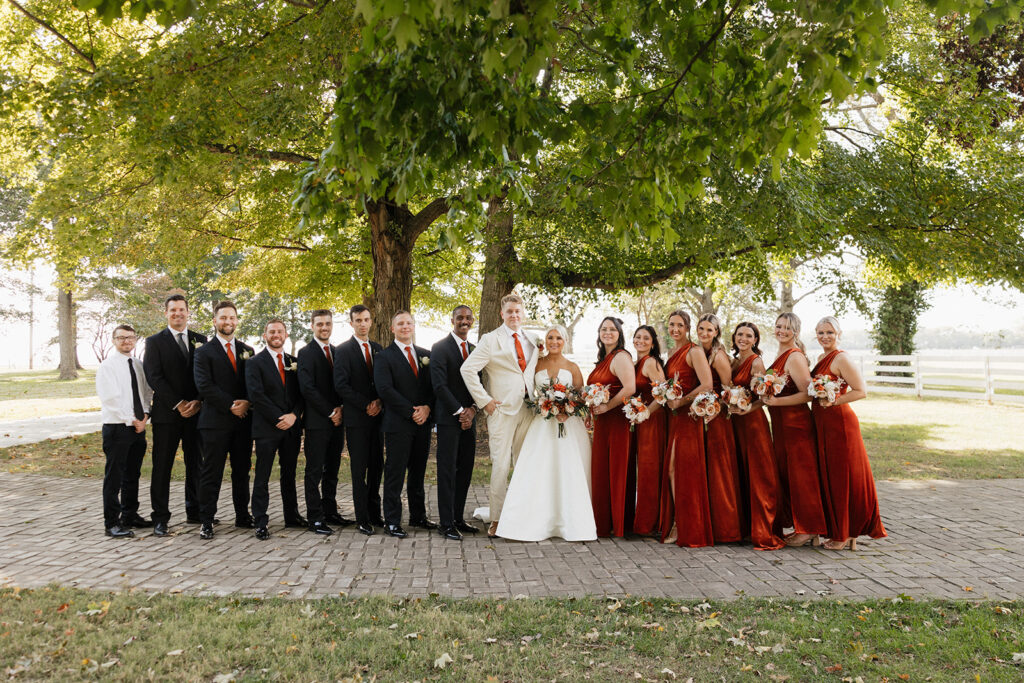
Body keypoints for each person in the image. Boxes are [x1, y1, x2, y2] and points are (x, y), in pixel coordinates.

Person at [497, 325, 596, 542]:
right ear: (545, 341)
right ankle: (530, 520)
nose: (554, 341)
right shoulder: (536, 364)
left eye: (558, 338)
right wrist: (545, 406)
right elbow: (526, 389)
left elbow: (580, 397)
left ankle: (571, 521)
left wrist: (566, 412)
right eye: (550, 337)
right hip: (542, 424)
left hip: (568, 425)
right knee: (539, 468)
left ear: (565, 341)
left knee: (567, 469)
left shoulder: (573, 367)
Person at [460, 293, 539, 538]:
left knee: (524, 464)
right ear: (502, 314)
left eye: (518, 311)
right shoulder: (490, 339)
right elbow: (468, 369)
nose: (514, 315)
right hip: (501, 410)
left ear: (523, 313)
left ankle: (523, 514)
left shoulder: (534, 339)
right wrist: (485, 401)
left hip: (529, 409)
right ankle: (496, 518)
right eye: (509, 312)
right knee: (501, 466)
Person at [811, 316, 886, 550]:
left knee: (843, 477)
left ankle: (844, 535)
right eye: (821, 332)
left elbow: (861, 391)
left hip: (840, 423)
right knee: (832, 477)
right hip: (823, 422)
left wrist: (834, 401)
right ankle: (843, 531)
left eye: (830, 333)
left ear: (839, 334)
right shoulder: (822, 357)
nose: (825, 337)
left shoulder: (841, 357)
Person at [143, 294, 207, 535]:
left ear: (188, 312)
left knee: (196, 464)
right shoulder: (154, 342)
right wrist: (178, 403)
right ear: (166, 313)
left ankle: (196, 510)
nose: (178, 313)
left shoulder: (200, 340)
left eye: (182, 310)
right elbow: (153, 376)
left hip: (196, 413)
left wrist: (198, 402)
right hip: (167, 414)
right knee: (162, 467)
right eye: (173, 310)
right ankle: (160, 517)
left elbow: (205, 374)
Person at [763, 312, 828, 547]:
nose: (781, 330)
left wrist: (777, 402)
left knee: (802, 477)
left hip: (796, 425)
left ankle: (810, 527)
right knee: (789, 475)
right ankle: (801, 525)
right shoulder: (780, 354)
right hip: (781, 425)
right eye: (778, 326)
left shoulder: (794, 356)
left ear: (796, 332)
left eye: (787, 328)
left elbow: (808, 394)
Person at [193, 301, 254, 540]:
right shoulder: (203, 352)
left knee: (242, 471)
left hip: (242, 422)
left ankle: (242, 515)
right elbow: (204, 385)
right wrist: (231, 405)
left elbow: (254, 382)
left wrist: (247, 403)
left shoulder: (247, 349)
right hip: (215, 422)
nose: (228, 322)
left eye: (232, 318)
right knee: (211, 472)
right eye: (223, 318)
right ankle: (206, 520)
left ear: (237, 320)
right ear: (215, 321)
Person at [374, 310, 436, 538]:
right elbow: (385, 390)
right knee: (395, 473)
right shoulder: (384, 356)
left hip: (423, 423)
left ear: (414, 326)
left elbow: (432, 387)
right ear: (392, 328)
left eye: (409, 323)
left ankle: (418, 516)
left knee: (418, 473)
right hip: (398, 424)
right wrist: (412, 412)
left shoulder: (425, 355)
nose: (405, 327)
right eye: (400, 323)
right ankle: (392, 521)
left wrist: (428, 408)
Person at [659, 309, 715, 547]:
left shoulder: (694, 351)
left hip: (689, 416)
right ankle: (678, 519)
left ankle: (685, 523)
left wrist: (682, 401)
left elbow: (707, 384)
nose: (675, 329)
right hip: (673, 417)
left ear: (687, 327)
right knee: (673, 470)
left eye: (680, 325)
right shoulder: (670, 352)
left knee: (680, 470)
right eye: (671, 325)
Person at [245, 318, 305, 540]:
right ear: (265, 335)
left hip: (291, 427)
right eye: (272, 332)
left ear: (286, 335)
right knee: (263, 475)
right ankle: (260, 520)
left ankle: (292, 516)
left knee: (289, 474)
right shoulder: (254, 362)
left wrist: (294, 416)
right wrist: (279, 417)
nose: (276, 335)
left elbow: (301, 394)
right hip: (267, 428)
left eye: (280, 331)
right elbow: (256, 395)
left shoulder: (294, 362)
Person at [728, 322, 786, 550]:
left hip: (753, 423)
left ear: (755, 340)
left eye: (748, 335)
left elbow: (764, 395)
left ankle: (764, 528)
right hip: (736, 423)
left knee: (758, 474)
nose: (743, 338)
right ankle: (745, 527)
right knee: (742, 472)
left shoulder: (756, 362)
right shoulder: (735, 361)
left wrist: (747, 409)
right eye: (739, 334)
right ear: (734, 337)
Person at [297, 309, 351, 536]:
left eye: (327, 323)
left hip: (338, 422)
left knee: (333, 469)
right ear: (312, 326)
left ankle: (330, 511)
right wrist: (330, 411)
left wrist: (341, 409)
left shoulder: (338, 352)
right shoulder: (305, 353)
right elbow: (307, 388)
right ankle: (315, 518)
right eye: (319, 324)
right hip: (318, 421)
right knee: (314, 471)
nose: (324, 327)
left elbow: (342, 383)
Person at [96, 324, 153, 538]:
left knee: (132, 475)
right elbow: (111, 399)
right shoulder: (107, 366)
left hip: (138, 427)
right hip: (117, 427)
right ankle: (111, 522)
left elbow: (146, 393)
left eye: (130, 337)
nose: (126, 341)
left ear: (135, 339)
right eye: (121, 338)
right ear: (113, 340)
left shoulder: (138, 364)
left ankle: (130, 515)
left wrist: (145, 416)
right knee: (114, 477)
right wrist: (132, 420)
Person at [333, 304, 385, 536]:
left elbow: (384, 382)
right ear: (351, 323)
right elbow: (341, 385)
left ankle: (375, 513)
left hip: (378, 419)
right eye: (358, 320)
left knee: (377, 467)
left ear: (371, 321)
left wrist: (380, 402)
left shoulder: (378, 349)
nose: (363, 324)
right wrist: (366, 404)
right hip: (357, 419)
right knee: (359, 469)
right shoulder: (343, 351)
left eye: (366, 319)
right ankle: (362, 518)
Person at [430, 305, 480, 541]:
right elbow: (439, 385)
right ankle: (446, 523)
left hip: (469, 419)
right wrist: (460, 411)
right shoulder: (439, 348)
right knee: (447, 471)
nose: (464, 321)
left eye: (468, 318)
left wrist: (472, 410)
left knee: (465, 470)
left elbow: (478, 384)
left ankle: (459, 517)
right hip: (449, 419)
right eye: (460, 317)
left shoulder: (475, 349)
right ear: (452, 320)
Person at [696, 313, 744, 543]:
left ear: (716, 333)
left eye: (709, 330)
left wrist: (715, 406)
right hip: (702, 415)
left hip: (718, 417)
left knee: (719, 469)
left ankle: (726, 526)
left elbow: (729, 388)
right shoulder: (699, 352)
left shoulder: (718, 356)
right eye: (701, 329)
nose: (704, 333)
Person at [587, 317, 636, 538]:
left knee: (616, 470)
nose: (607, 332)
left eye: (612, 329)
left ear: (619, 333)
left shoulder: (621, 356)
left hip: (617, 421)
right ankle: (602, 521)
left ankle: (618, 522)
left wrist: (608, 406)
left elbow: (630, 388)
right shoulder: (603, 359)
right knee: (601, 470)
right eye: (604, 329)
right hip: (602, 421)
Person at [631, 325, 667, 537]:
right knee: (643, 469)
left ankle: (648, 523)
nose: (641, 341)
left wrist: (645, 413)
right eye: (638, 337)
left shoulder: (651, 362)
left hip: (652, 420)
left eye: (646, 338)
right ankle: (642, 518)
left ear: (653, 343)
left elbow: (662, 395)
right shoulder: (636, 363)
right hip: (641, 420)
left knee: (650, 468)